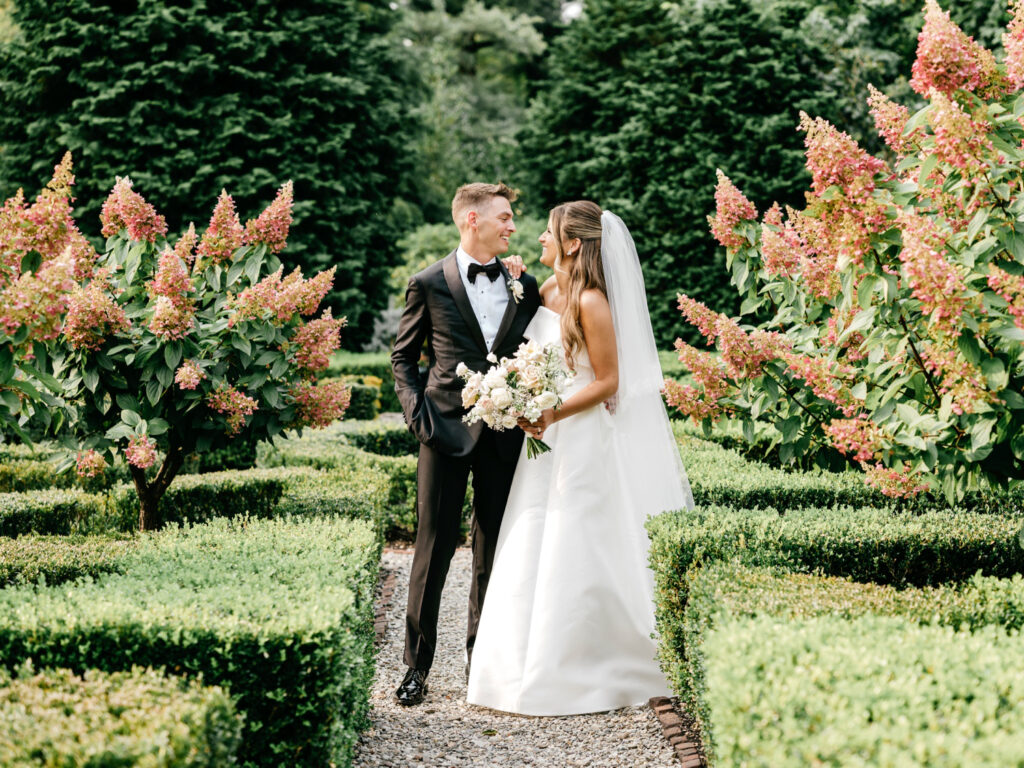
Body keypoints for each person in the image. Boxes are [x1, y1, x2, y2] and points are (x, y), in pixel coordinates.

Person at [466, 200, 694, 716]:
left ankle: (588, 660)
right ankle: (517, 662)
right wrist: (521, 397)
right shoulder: (548, 292)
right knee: (533, 533)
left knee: (580, 535)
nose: (540, 239)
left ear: (572, 243)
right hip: (547, 435)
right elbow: (535, 356)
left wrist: (552, 413)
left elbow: (610, 380)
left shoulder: (593, 301)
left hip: (581, 431)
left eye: (550, 232)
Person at [391, 182, 541, 707]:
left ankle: (485, 664)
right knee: (431, 549)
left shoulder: (527, 283)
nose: (512, 226)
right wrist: (419, 419)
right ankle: (415, 668)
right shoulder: (428, 282)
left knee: (493, 550)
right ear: (472, 220)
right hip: (443, 431)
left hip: (504, 436)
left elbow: (536, 351)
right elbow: (403, 359)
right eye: (504, 217)